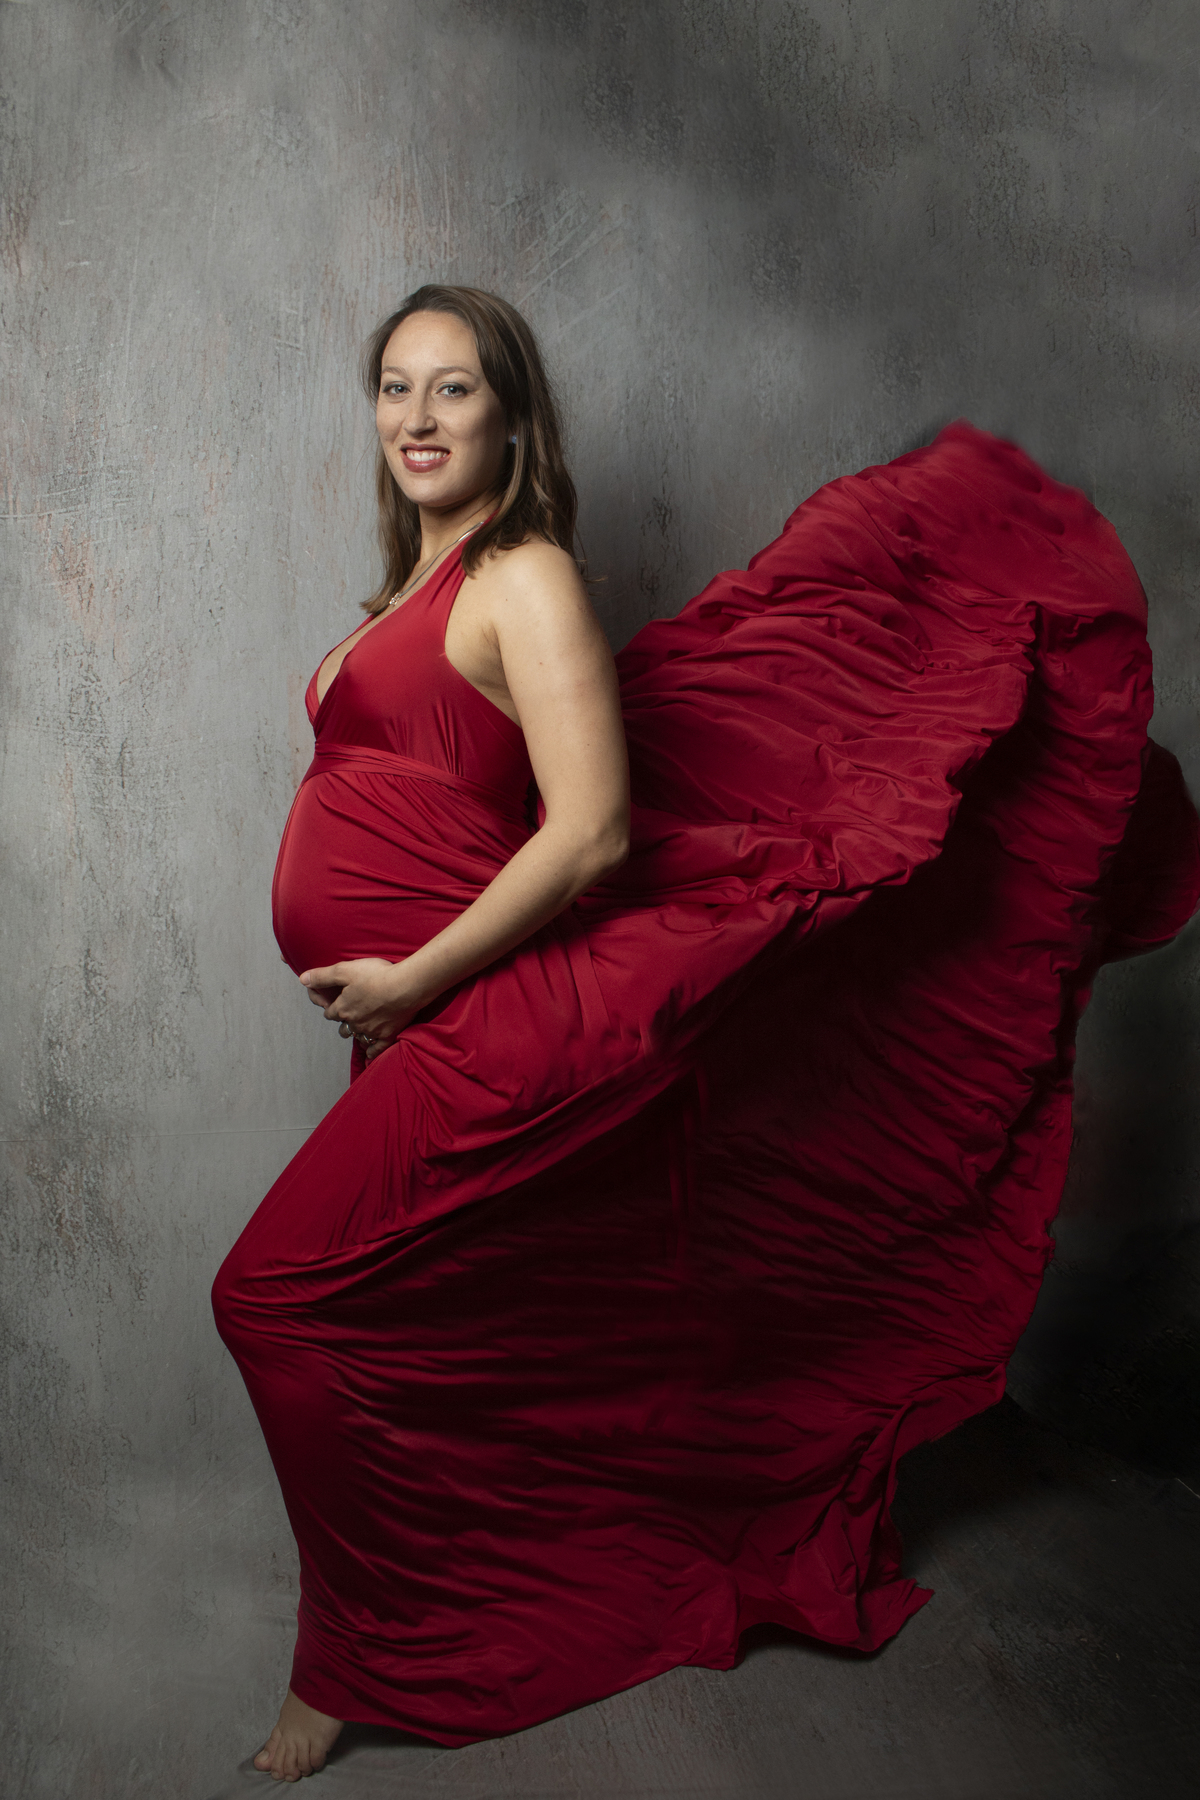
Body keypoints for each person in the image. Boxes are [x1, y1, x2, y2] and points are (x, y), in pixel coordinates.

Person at [214, 285, 1200, 1782]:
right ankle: (511, 1578)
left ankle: (355, 1663)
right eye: (395, 387)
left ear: (511, 418)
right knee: (480, 1323)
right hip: (428, 1017)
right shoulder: (408, 596)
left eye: (455, 388)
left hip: (483, 1011)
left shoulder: (522, 575)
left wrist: (415, 980)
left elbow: (594, 830)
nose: (418, 416)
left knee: (275, 1300)